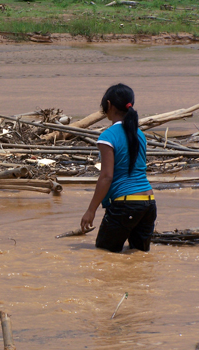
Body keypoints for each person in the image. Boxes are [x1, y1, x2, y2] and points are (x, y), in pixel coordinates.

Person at [81, 83, 157, 253]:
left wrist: (90, 210)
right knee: (139, 255)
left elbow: (107, 176)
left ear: (109, 105)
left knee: (104, 253)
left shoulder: (108, 136)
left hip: (126, 204)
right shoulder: (139, 134)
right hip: (148, 203)